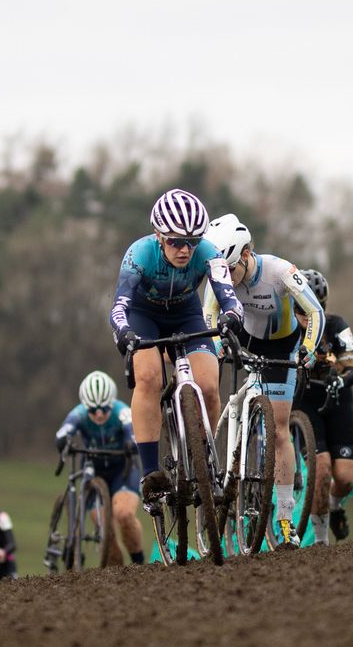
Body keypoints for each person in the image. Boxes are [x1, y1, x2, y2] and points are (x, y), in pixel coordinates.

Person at [109, 189, 244, 514]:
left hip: (186, 315)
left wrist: (231, 317)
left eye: (192, 242)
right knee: (149, 378)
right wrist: (124, 332)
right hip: (145, 318)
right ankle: (150, 475)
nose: (185, 250)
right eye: (175, 242)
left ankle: (204, 461)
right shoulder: (139, 255)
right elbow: (120, 306)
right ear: (158, 236)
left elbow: (228, 296)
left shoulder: (209, 252)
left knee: (209, 385)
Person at [202, 213, 324, 549]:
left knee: (280, 426)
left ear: (245, 254)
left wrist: (309, 350)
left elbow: (314, 313)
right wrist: (217, 347)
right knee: (216, 389)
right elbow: (208, 313)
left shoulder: (279, 271)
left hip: (281, 345)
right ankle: (222, 472)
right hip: (241, 337)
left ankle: (284, 520)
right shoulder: (221, 272)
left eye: (233, 271)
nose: (230, 280)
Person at [291, 269, 353, 546]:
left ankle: (335, 504)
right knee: (321, 469)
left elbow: (352, 369)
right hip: (305, 402)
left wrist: (340, 379)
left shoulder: (336, 326)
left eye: (314, 309)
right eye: (301, 309)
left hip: (337, 400)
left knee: (344, 479)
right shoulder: (286, 329)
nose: (307, 317)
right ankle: (321, 541)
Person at [55, 370, 145, 564]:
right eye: (93, 409)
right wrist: (63, 440)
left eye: (104, 409)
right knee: (106, 530)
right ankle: (118, 577)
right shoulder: (79, 413)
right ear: (85, 406)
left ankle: (139, 564)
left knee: (124, 515)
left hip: (123, 469)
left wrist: (132, 441)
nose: (98, 414)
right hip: (93, 471)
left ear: (111, 404)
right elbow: (64, 430)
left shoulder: (121, 410)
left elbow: (133, 430)